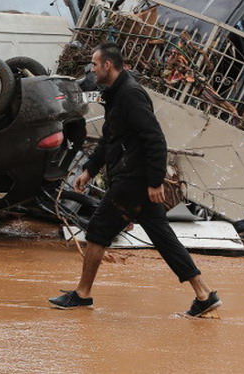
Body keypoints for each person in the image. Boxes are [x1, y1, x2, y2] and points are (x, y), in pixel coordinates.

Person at [49, 42, 222, 317]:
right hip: (134, 178)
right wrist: (89, 170)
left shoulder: (131, 95)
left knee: (97, 231)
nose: (92, 70)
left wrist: (155, 181)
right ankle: (204, 294)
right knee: (163, 237)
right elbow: (110, 137)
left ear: (108, 65)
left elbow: (155, 139)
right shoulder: (115, 94)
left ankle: (82, 294)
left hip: (133, 178)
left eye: (94, 65)